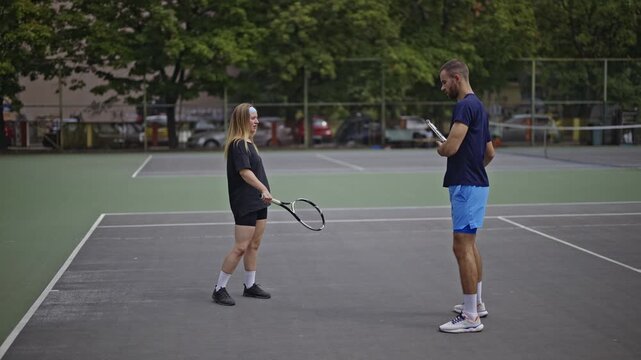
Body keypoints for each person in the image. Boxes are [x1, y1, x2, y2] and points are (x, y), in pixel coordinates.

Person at [435, 60, 495, 333]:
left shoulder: (464, 106)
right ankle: (477, 303)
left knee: (461, 246)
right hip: (475, 183)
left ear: (457, 78)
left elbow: (451, 148)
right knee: (469, 245)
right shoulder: (478, 106)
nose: (442, 87)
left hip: (466, 185)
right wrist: (473, 166)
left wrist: (441, 147)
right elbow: (489, 152)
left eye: (445, 81)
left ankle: (471, 317)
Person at [212, 103, 273, 306]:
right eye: (252, 118)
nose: (256, 121)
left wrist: (263, 193)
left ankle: (250, 285)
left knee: (254, 245)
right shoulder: (238, 144)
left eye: (257, 118)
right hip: (245, 203)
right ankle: (219, 288)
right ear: (242, 120)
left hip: (259, 201)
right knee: (240, 247)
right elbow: (245, 172)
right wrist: (263, 189)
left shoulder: (249, 143)